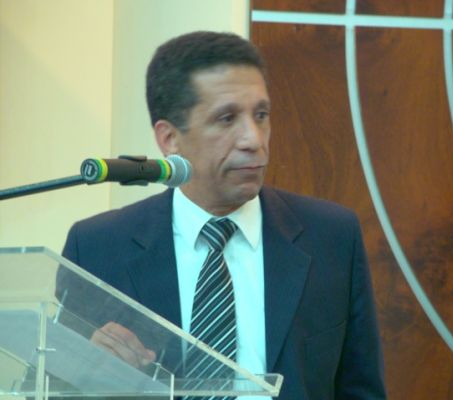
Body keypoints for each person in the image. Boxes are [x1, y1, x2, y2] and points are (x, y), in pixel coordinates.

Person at [60, 31, 386, 399]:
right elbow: (50, 384)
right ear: (169, 139)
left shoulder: (331, 236)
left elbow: (361, 390)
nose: (253, 140)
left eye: (261, 115)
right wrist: (88, 374)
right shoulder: (97, 248)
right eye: (227, 119)